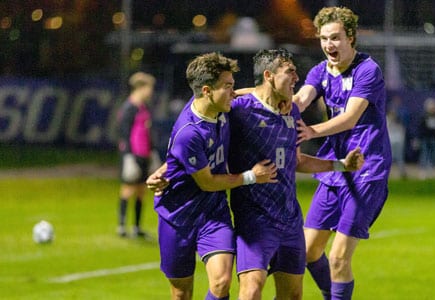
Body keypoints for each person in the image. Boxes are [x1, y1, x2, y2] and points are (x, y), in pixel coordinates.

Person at [229, 49, 363, 300]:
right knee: (251, 289)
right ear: (268, 75)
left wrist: (341, 165)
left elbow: (297, 160)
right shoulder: (239, 108)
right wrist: (168, 168)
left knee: (292, 295)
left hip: (290, 220)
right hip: (255, 219)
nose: (296, 77)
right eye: (289, 71)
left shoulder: (291, 112)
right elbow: (201, 119)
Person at [152, 53, 277, 300]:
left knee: (221, 282)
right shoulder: (189, 132)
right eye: (228, 86)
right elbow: (207, 182)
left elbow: (249, 92)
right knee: (181, 292)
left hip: (213, 213)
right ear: (207, 90)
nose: (233, 92)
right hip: (178, 216)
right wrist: (252, 176)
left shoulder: (218, 107)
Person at [291, 7, 392, 300]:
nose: (328, 45)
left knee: (338, 258)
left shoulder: (367, 70)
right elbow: (300, 99)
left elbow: (349, 118)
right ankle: (331, 294)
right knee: (308, 251)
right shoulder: (321, 70)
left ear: (351, 37)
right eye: (324, 38)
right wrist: (265, 103)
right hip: (335, 170)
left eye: (335, 38)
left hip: (366, 171)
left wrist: (311, 131)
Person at [117, 72, 159, 238]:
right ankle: (121, 226)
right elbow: (124, 133)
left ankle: (136, 227)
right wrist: (127, 156)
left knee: (142, 190)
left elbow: (147, 131)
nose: (151, 92)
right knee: (128, 189)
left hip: (144, 154)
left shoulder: (144, 107)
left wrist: (152, 150)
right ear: (141, 87)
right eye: (149, 88)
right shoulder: (129, 107)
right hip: (132, 154)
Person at [418, 97, 435, 179]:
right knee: (425, 154)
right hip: (426, 138)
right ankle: (423, 170)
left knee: (433, 154)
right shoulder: (424, 117)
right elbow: (421, 128)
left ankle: (431, 169)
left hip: (434, 139)